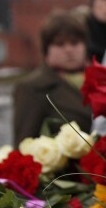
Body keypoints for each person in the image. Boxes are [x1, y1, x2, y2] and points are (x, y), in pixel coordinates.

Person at [13, 10, 90, 144]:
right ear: (46, 50)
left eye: (75, 43)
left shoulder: (101, 81)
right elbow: (24, 144)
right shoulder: (33, 88)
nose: (69, 50)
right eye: (60, 44)